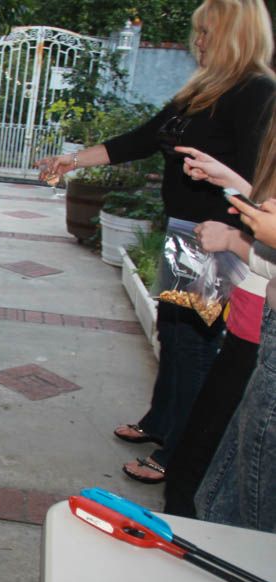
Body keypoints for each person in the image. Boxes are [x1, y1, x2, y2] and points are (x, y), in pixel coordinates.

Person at [36, 0, 276, 484]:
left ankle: (179, 450)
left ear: (233, 34)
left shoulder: (257, 92)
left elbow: (260, 181)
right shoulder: (205, 88)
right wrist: (74, 159)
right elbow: (144, 139)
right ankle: (160, 420)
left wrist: (234, 239)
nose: (199, 42)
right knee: (174, 331)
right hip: (185, 234)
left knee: (194, 346)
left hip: (216, 244)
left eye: (207, 33)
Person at [157, 147, 267, 517]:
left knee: (202, 484)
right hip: (248, 336)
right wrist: (233, 183)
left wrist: (235, 241)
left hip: (258, 345)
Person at [180, 131, 276, 532]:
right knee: (217, 498)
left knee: (247, 518)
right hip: (261, 329)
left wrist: (238, 242)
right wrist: (232, 182)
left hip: (261, 335)